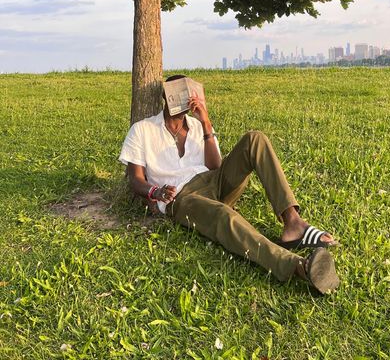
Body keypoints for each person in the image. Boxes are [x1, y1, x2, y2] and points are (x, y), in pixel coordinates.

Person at [119, 75, 340, 294]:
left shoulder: (197, 125)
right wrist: (156, 192)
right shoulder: (142, 129)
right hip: (182, 195)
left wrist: (206, 123)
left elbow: (215, 165)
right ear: (165, 97)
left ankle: (293, 224)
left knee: (256, 139)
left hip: (213, 181)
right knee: (225, 216)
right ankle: (299, 267)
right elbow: (135, 180)